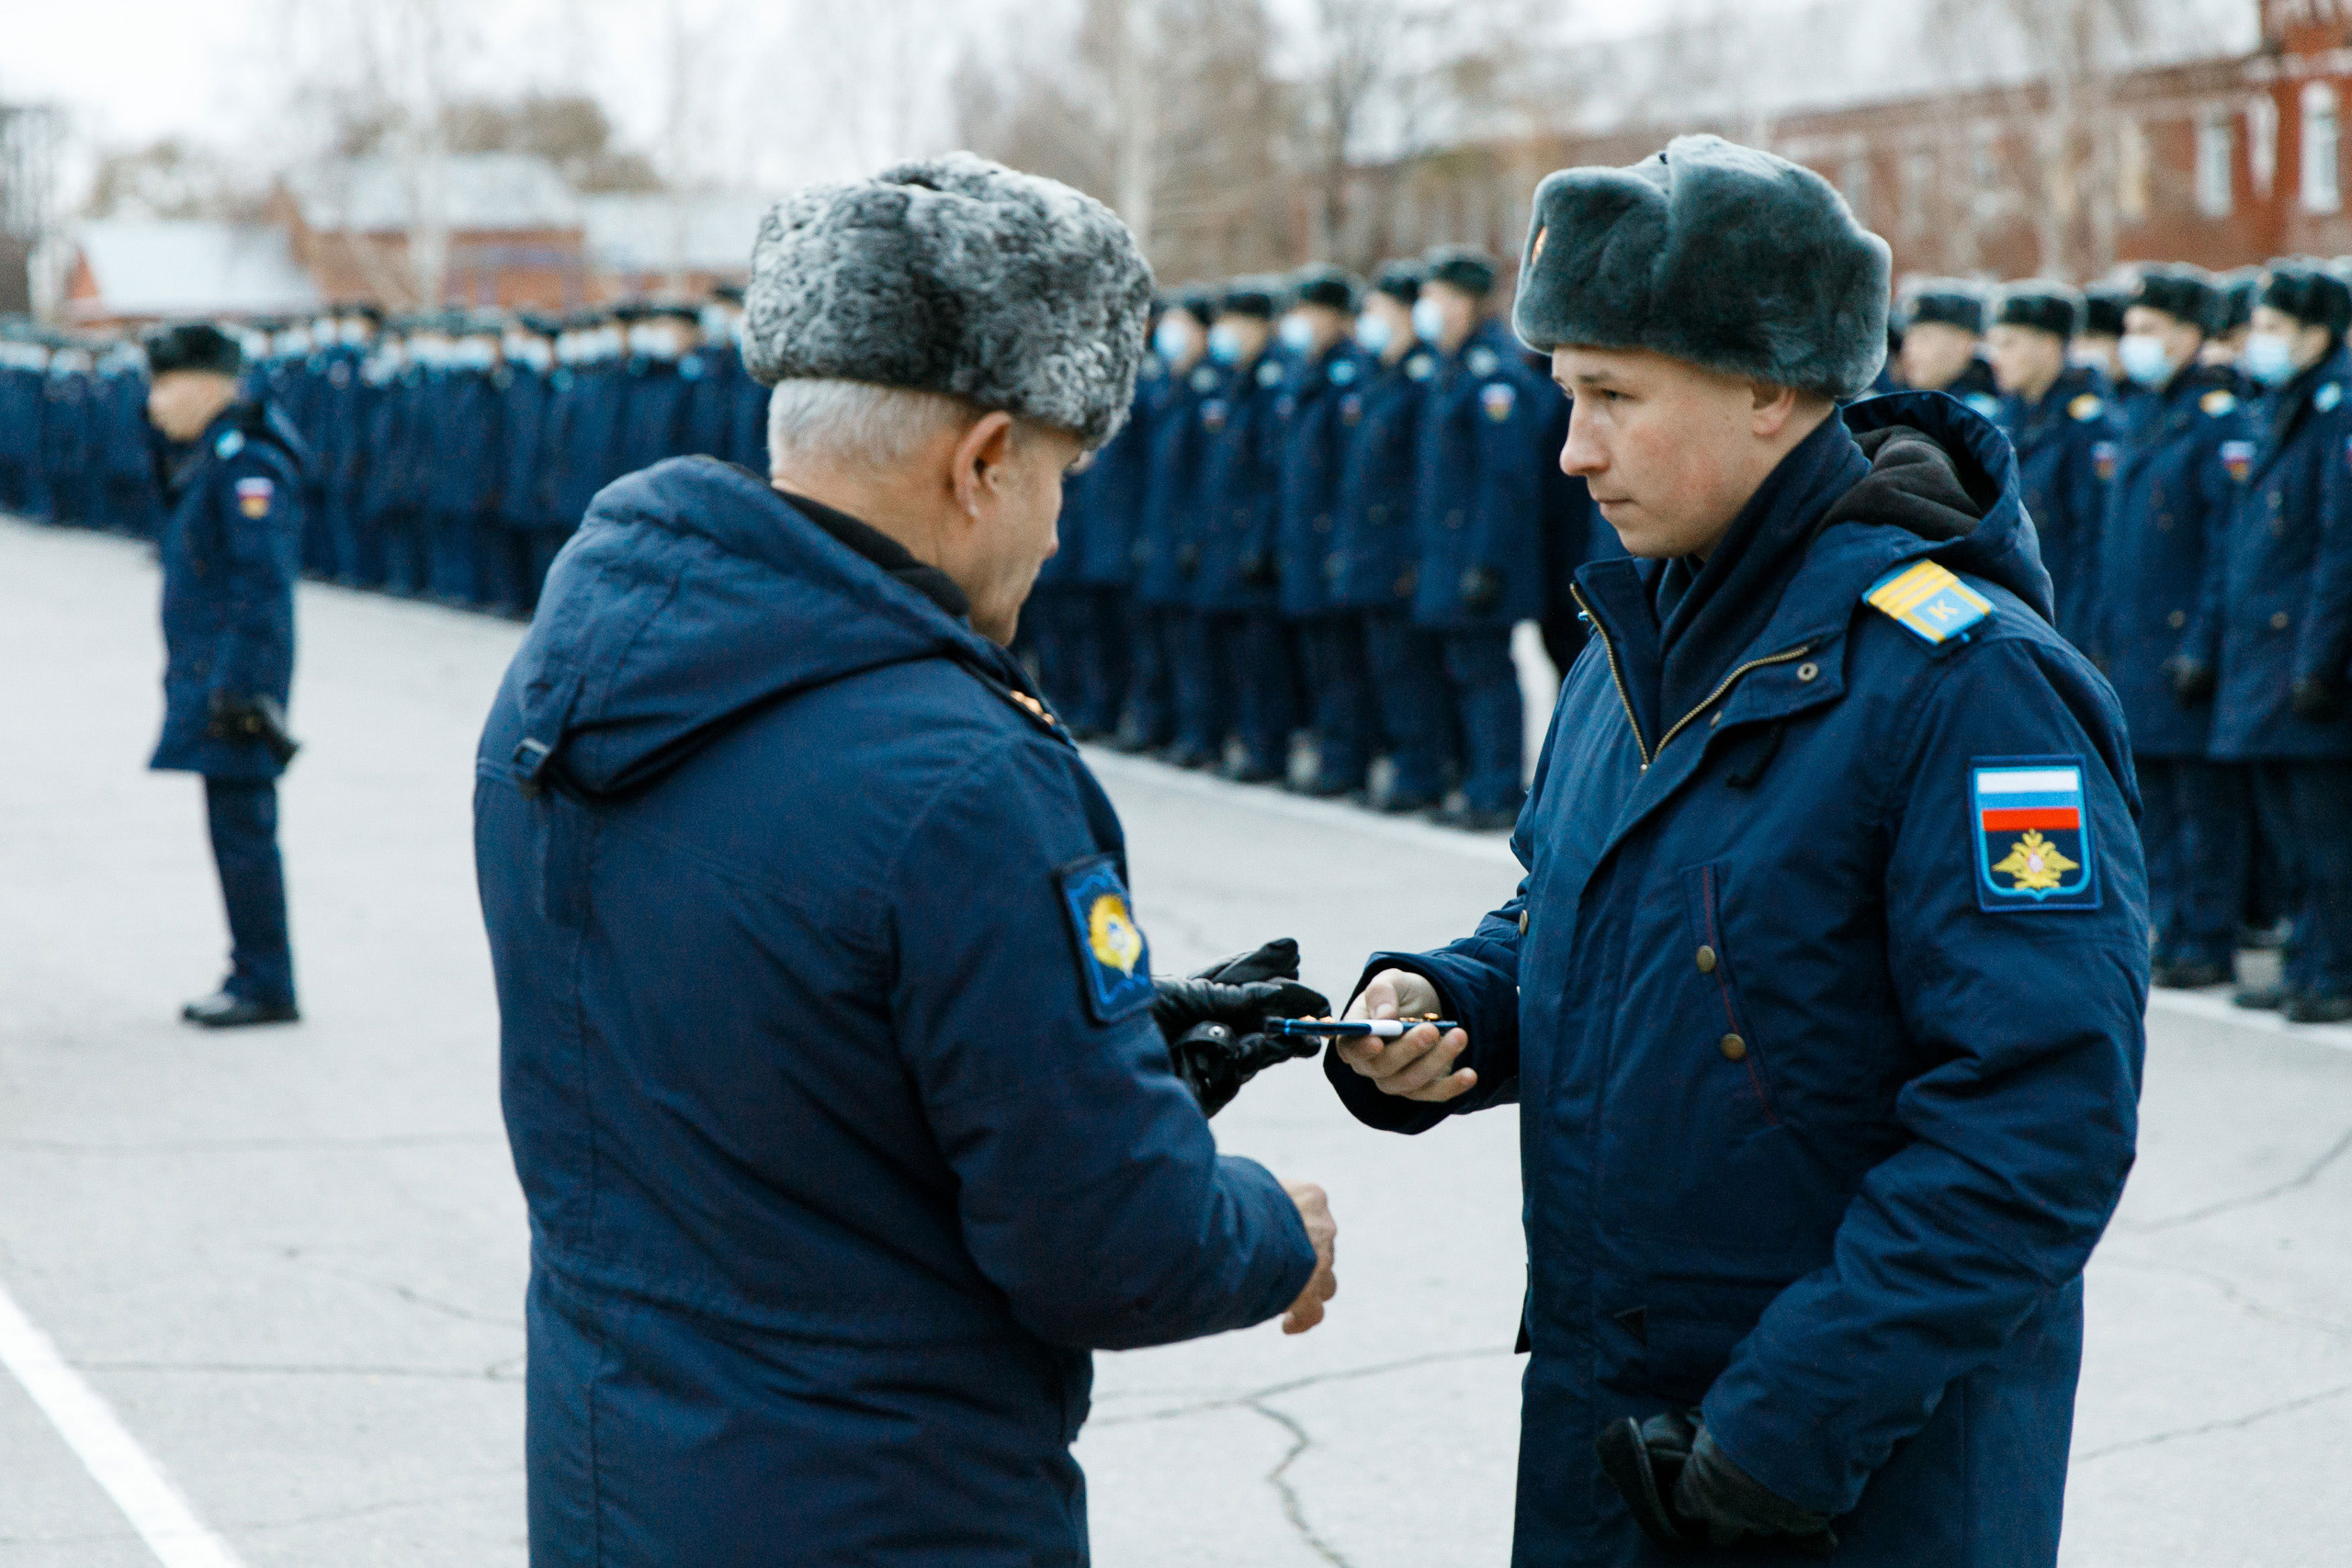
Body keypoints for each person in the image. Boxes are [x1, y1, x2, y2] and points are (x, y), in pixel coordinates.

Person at [476, 153, 1338, 1568]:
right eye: (1059, 475)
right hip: (887, 1502)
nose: (1061, 527)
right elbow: (1106, 1243)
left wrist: (1099, 1043)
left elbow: (755, 1046)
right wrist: (1268, 1227)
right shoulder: (960, 775)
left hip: (619, 1477)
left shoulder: (576, 678)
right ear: (984, 459)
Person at [1329, 136, 2146, 1566]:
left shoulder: (1967, 685)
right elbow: (1590, 905)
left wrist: (1788, 1425)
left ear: (1771, 385)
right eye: (1567, 393)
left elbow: (2037, 1113)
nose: (1571, 448)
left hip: (1836, 1475)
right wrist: (1451, 1002)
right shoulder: (1637, 638)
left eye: (1613, 397)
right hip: (1615, 1433)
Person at [2181, 262, 2352, 1015]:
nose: (2261, 342)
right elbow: (2246, 547)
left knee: (2325, 835)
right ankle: (2306, 958)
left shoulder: (2337, 408)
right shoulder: (2276, 405)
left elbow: (2338, 548)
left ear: (2318, 332)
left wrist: (2320, 661)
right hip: (2264, 652)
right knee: (2286, 831)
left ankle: (2332, 967)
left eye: (2277, 327)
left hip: (2307, 656)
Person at [143, 321, 310, 1029]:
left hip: (232, 679)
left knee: (244, 830)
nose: (154, 401)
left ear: (207, 386)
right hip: (214, 672)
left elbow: (260, 586)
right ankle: (253, 968)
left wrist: (241, 689)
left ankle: (265, 980)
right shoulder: (214, 450)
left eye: (166, 385)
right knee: (233, 827)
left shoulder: (246, 462)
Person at [2098, 265, 2256, 994]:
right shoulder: (2143, 410)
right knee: (2152, 799)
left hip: (2185, 643)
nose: (2136, 345)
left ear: (2192, 333)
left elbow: (2226, 545)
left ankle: (2208, 932)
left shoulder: (2215, 415)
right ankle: (2173, 926)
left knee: (2201, 807)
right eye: (2130, 330)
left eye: (2151, 330)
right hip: (2135, 643)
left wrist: (2202, 643)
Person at [1409, 244, 1545, 830]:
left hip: (1479, 559)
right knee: (1460, 673)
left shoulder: (1493, 375)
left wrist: (1487, 562)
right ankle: (1475, 783)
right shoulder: (1451, 368)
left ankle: (1496, 790)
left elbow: (1504, 481)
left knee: (1487, 676)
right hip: (1446, 556)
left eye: (1437, 298)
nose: (1429, 310)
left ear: (1465, 302)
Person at [1332, 262, 1453, 812]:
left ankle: (1422, 772)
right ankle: (1405, 768)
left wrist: (1413, 555)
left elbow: (1423, 482)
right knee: (1384, 668)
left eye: (1379, 311)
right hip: (1370, 552)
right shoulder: (1378, 375)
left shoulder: (1422, 377)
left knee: (1412, 674)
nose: (1368, 323)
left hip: (1403, 555)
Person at [1186, 276, 1296, 782]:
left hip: (1255, 551)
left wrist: (1260, 543)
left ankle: (1266, 750)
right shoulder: (1228, 380)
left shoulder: (1272, 384)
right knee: (1231, 659)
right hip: (1222, 546)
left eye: (1235, 323)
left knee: (1262, 664)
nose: (1225, 333)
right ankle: (1243, 744)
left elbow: (1275, 477)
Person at [1275, 264, 1376, 795]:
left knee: (1342, 665)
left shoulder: (1349, 376)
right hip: (1302, 542)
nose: (1302, 324)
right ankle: (1330, 755)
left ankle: (1347, 762)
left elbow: (1350, 477)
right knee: (1317, 662)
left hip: (1335, 542)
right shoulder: (1302, 373)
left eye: (1312, 313)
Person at [1986, 281, 2117, 643]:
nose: (1995, 355)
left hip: (2060, 620)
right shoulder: (2006, 420)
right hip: (2011, 615)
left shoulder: (2088, 426)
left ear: (2048, 345)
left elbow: (2092, 545)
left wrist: (2075, 640)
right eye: (1993, 343)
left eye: (2009, 343)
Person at [1121, 288, 1216, 756]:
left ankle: (1198, 734)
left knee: (1194, 649)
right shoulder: (1162, 388)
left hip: (1194, 542)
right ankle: (1161, 725)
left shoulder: (1210, 390)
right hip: (1156, 535)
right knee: (1156, 644)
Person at [1896, 279, 2002, 417]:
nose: (1909, 349)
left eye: (1924, 337)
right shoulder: (1903, 404)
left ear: (1962, 344)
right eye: (1908, 338)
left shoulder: (1982, 418)